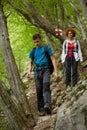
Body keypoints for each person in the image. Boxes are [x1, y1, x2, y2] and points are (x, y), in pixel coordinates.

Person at [27, 33, 58, 115]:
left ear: (41, 39)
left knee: (46, 85)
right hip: (37, 71)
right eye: (35, 42)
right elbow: (30, 62)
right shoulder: (33, 51)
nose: (36, 43)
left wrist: (56, 72)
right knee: (38, 89)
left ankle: (48, 105)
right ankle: (41, 109)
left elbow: (53, 59)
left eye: (37, 41)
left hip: (46, 70)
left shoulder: (46, 48)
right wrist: (28, 71)